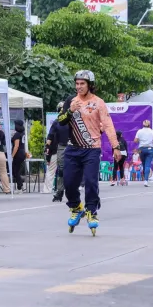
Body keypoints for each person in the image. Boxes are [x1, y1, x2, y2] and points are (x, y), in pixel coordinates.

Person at [57, 70, 121, 236]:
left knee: (91, 182)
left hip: (92, 148)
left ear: (90, 85)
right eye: (77, 84)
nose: (79, 87)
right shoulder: (71, 101)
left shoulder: (98, 102)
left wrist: (115, 146)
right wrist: (70, 110)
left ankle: (91, 211)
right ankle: (76, 207)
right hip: (72, 148)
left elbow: (107, 124)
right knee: (69, 183)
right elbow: (61, 122)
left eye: (82, 84)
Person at [49, 101, 70, 202]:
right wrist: (47, 147)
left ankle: (72, 189)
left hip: (73, 145)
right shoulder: (57, 122)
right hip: (61, 146)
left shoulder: (72, 120)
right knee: (61, 169)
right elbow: (50, 135)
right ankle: (60, 191)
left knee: (74, 168)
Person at [134, 120, 153, 187]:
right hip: (150, 149)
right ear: (149, 125)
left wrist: (140, 139)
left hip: (141, 149)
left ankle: (145, 178)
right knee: (147, 165)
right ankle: (146, 181)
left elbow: (135, 140)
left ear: (143, 125)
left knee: (144, 164)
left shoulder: (139, 131)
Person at [11, 120, 26, 194]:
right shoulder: (22, 133)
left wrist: (12, 155)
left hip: (18, 153)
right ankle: (20, 186)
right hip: (22, 152)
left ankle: (20, 188)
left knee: (15, 171)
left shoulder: (17, 134)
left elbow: (16, 146)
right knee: (17, 171)